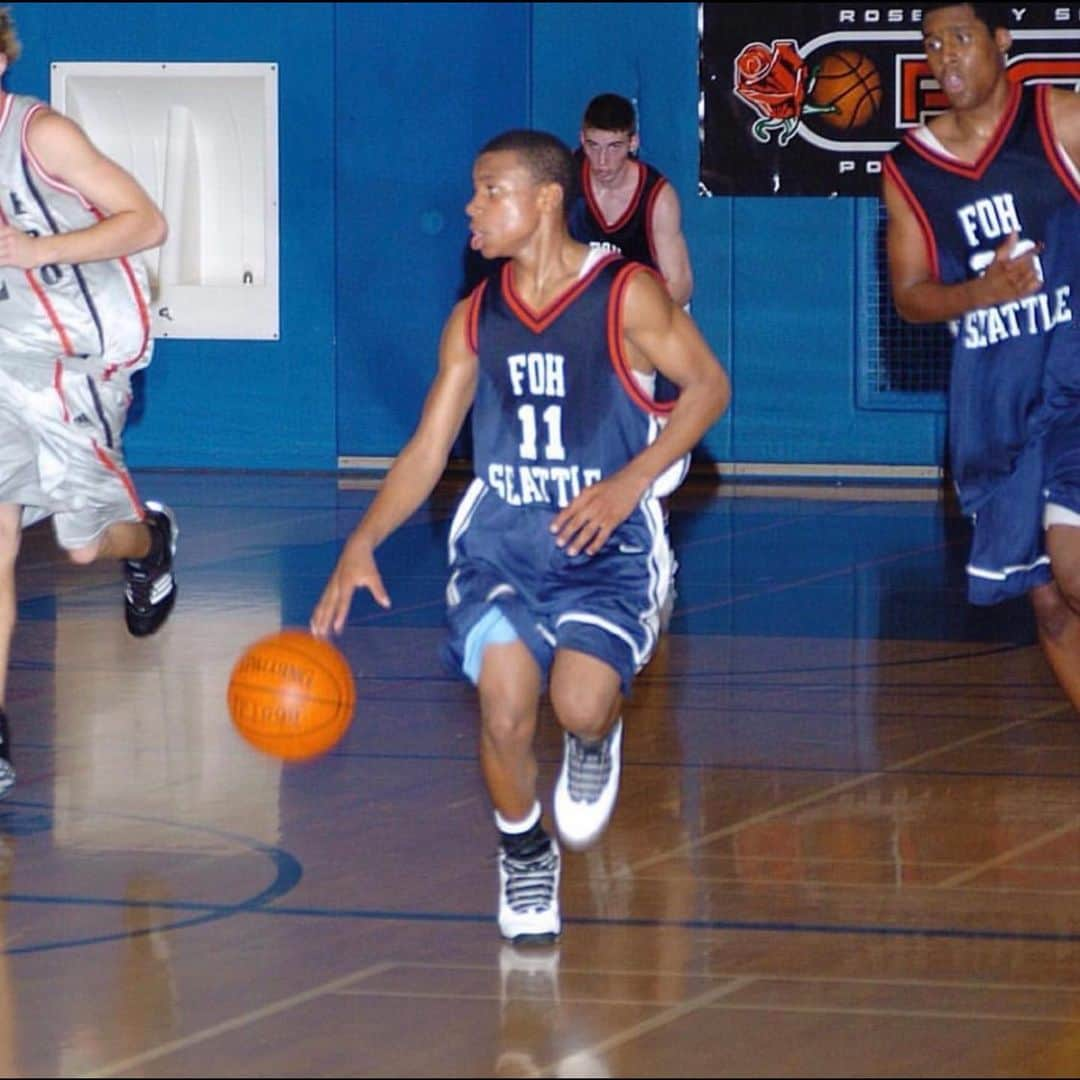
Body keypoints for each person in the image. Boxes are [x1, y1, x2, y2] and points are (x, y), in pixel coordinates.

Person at [311, 128, 730, 943]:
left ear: (545, 199)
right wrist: (361, 540)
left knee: (576, 704)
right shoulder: (475, 317)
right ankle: (523, 852)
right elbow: (430, 448)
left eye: (489, 189)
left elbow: (708, 387)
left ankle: (594, 736)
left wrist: (630, 480)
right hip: (503, 538)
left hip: (606, 541)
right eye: (473, 191)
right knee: (504, 708)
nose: (471, 206)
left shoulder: (626, 293)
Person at [881, 2, 1080, 707]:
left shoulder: (1059, 121)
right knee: (1049, 604)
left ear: (1002, 42)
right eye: (932, 45)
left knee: (1073, 567)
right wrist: (981, 291)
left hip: (1072, 377)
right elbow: (908, 295)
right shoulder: (910, 168)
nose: (945, 57)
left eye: (960, 38)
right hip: (996, 400)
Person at [0, 8, 177, 799]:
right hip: (4, 354)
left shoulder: (42, 136)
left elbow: (148, 221)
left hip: (80, 347)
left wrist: (41, 249)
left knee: (80, 547)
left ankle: (151, 544)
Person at [570, 93, 693, 309]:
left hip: (647, 306)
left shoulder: (657, 197)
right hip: (583, 305)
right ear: (582, 139)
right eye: (593, 146)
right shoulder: (563, 182)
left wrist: (630, 321)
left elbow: (680, 286)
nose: (602, 161)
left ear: (632, 143)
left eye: (614, 147)